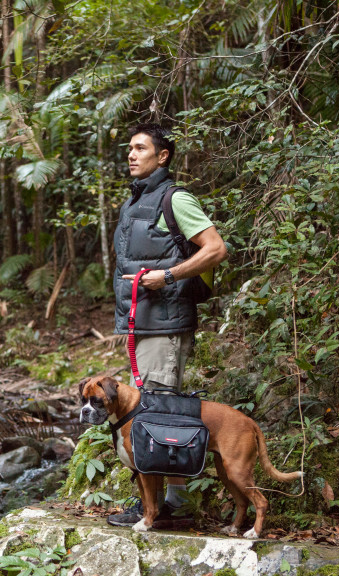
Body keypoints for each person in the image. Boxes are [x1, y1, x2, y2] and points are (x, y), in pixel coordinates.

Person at [107, 122, 228, 528]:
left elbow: (216, 248)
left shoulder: (175, 199)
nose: (131, 154)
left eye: (140, 148)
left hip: (166, 326)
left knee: (158, 418)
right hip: (144, 325)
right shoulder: (133, 203)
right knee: (155, 415)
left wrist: (170, 276)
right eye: (129, 148)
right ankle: (165, 502)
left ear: (163, 156)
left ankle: (165, 507)